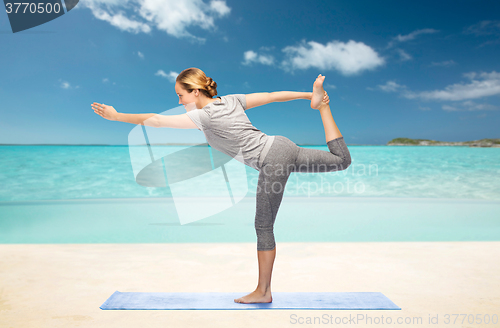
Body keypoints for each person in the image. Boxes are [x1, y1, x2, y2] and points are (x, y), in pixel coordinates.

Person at [92, 67, 351, 304]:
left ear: (195, 92)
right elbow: (273, 95)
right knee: (341, 161)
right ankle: (324, 109)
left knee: (263, 225)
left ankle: (263, 292)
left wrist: (117, 116)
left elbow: (157, 121)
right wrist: (309, 95)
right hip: (282, 146)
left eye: (180, 95)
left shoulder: (203, 116)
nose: (179, 101)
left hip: (272, 159)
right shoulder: (231, 100)